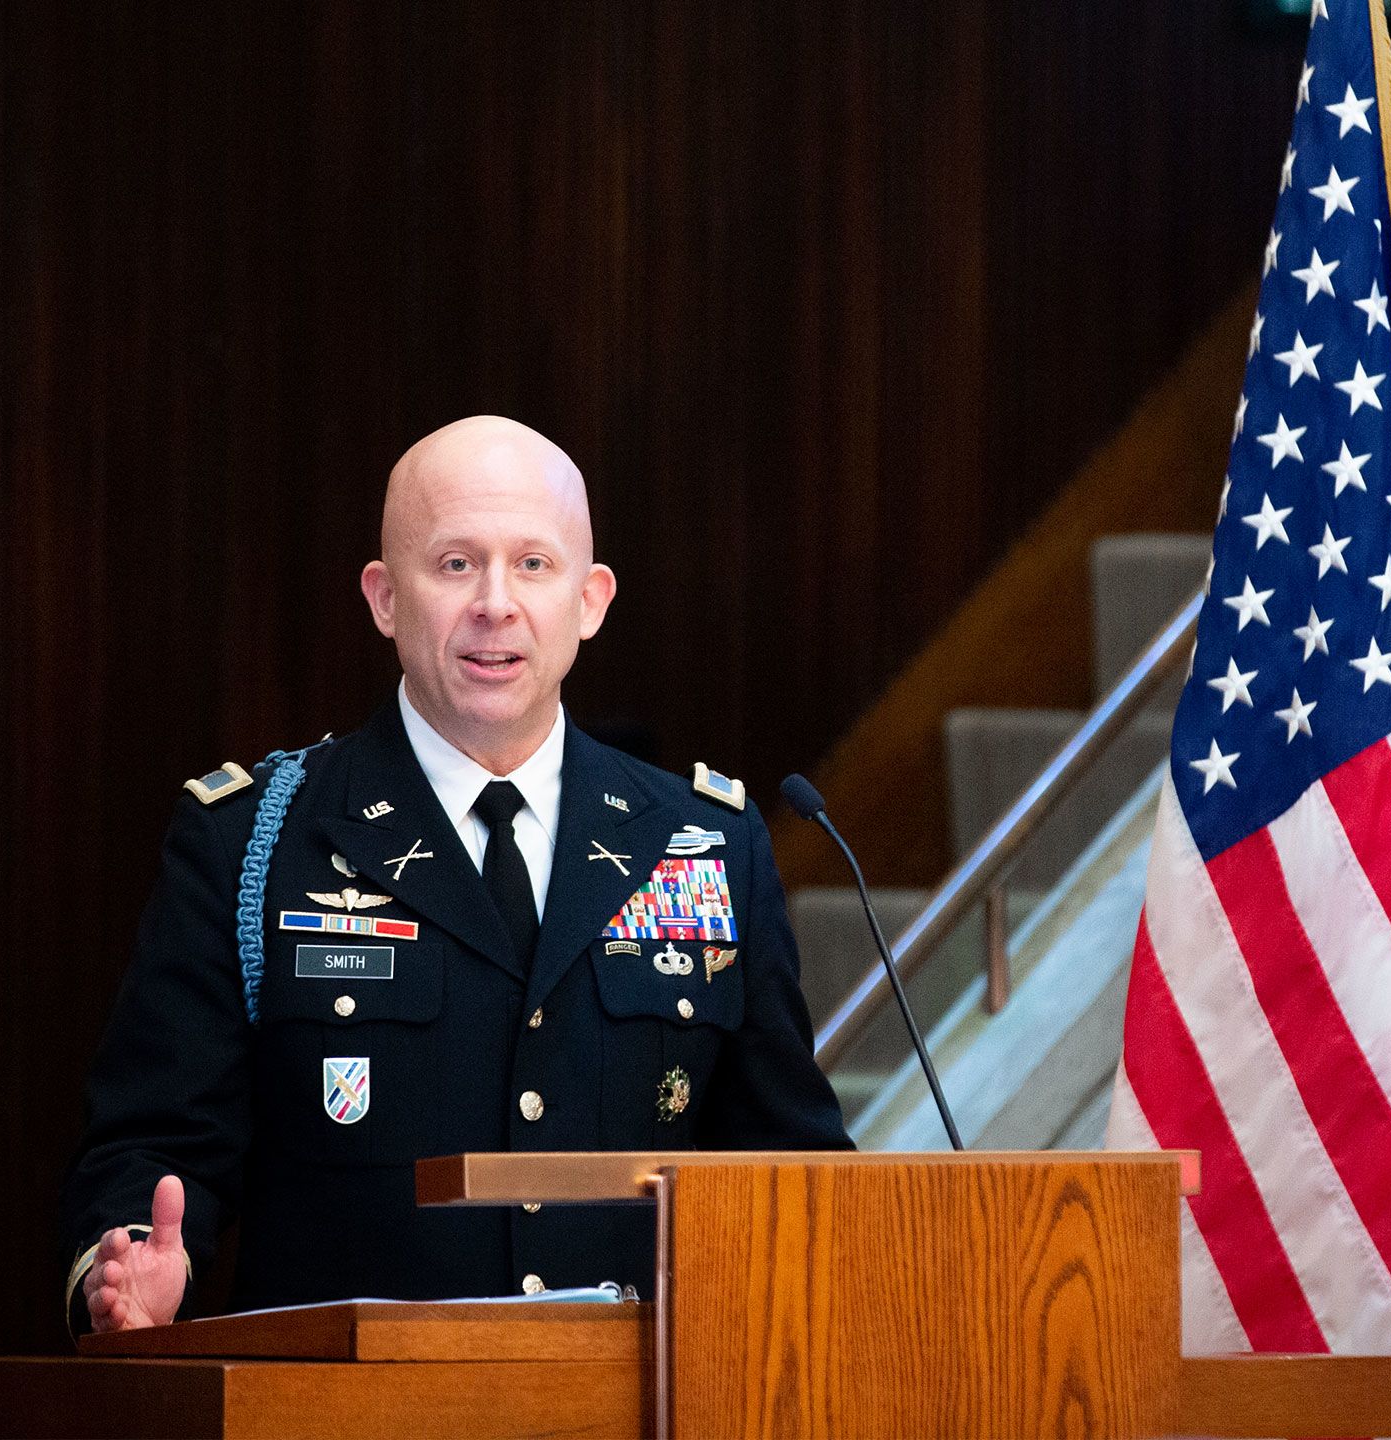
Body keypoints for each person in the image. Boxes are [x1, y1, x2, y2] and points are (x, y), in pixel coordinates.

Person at [60, 416, 852, 1333]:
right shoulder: (254, 841)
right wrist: (131, 1271)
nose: (495, 603)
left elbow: (790, 1173)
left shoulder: (705, 842)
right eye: (454, 565)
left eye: (533, 565)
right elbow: (153, 1143)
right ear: (385, 597)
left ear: (590, 601)